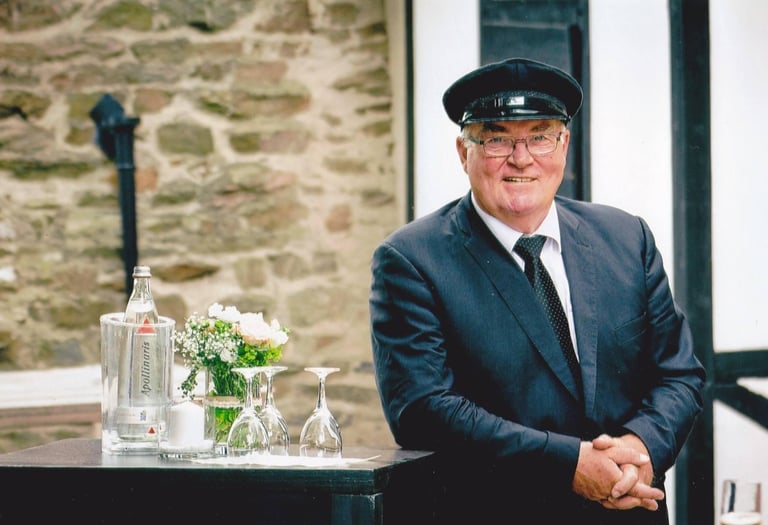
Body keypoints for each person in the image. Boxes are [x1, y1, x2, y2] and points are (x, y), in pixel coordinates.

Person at [369, 57, 705, 524]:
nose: (521, 158)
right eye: (497, 139)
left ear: (564, 145)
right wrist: (569, 465)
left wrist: (641, 446)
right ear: (463, 152)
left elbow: (679, 374)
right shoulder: (411, 260)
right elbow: (424, 411)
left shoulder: (628, 238)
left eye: (540, 136)